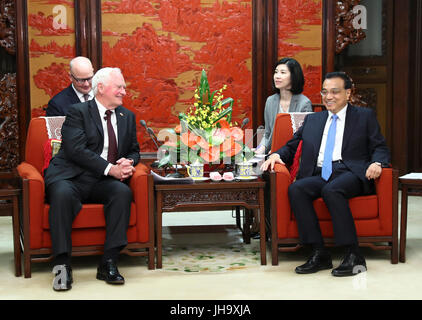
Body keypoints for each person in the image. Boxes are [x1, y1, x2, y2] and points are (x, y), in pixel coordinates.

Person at [260, 71, 390, 277]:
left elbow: (380, 146)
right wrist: (276, 155)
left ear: (348, 93)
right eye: (324, 92)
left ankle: (353, 254)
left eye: (335, 92)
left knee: (332, 190)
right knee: (297, 189)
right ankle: (319, 253)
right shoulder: (314, 120)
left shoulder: (364, 117)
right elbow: (292, 146)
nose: (328, 97)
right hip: (321, 172)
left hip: (351, 172)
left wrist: (377, 162)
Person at [44, 67, 140, 291]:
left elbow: (135, 150)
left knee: (122, 192)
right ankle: (62, 265)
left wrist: (129, 162)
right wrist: (110, 169)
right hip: (71, 175)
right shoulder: (78, 112)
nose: (124, 91)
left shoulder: (127, 117)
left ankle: (109, 261)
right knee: (61, 194)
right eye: (119, 87)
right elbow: (76, 150)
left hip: (100, 180)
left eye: (124, 87)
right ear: (101, 88)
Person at [257, 58, 312, 154]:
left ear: (294, 76)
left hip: (293, 154)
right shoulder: (270, 101)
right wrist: (258, 151)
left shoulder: (304, 103)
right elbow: (267, 134)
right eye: (276, 72)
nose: (277, 76)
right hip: (271, 152)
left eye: (283, 73)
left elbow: (304, 138)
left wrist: (281, 154)